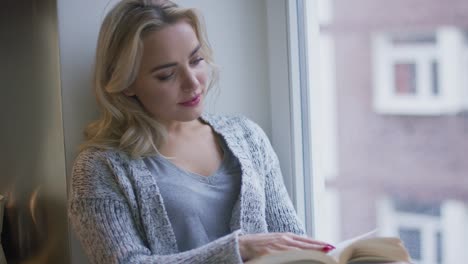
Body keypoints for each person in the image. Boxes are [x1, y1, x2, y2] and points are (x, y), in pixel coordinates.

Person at [68, 0, 335, 263]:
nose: (192, 82)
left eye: (196, 60)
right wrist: (237, 249)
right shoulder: (100, 168)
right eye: (166, 75)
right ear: (126, 83)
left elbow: (293, 243)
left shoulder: (247, 136)